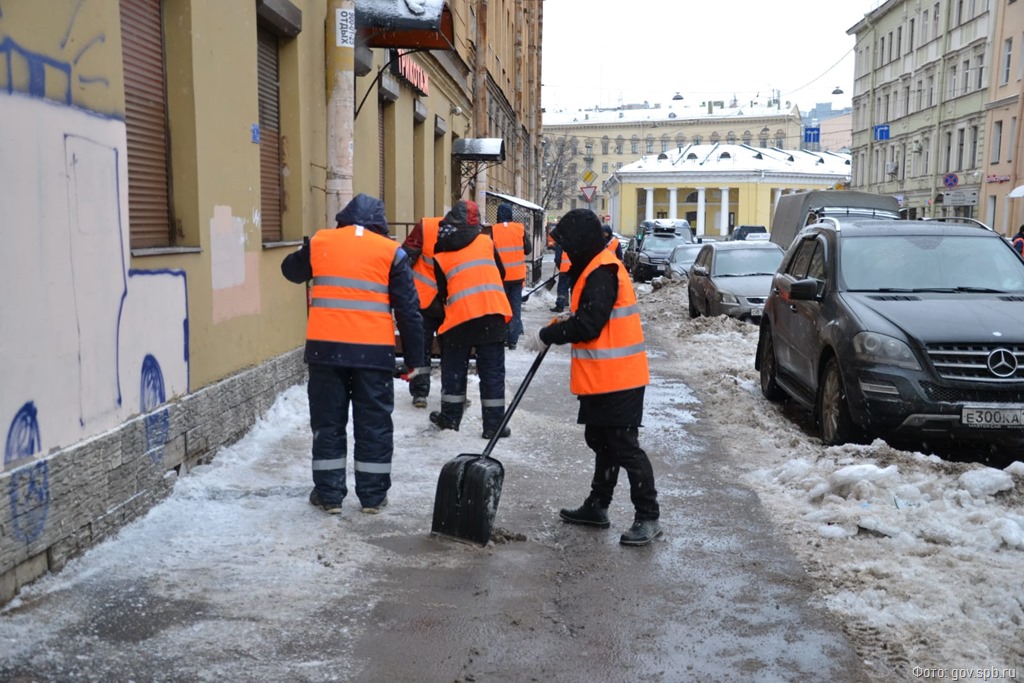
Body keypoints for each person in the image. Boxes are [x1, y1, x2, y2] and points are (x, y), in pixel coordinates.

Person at [523, 208, 661, 546]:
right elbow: (588, 316)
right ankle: (597, 506)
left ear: (583, 241)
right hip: (603, 377)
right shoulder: (594, 267)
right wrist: (560, 325)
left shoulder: (603, 270)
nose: (566, 252)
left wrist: (548, 335)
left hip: (621, 378)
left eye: (569, 245)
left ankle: (648, 517)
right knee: (601, 441)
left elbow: (589, 326)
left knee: (625, 447)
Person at [281, 193, 425, 515]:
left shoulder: (322, 242)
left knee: (328, 422)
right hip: (373, 354)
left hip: (325, 350)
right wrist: (416, 359)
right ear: (380, 224)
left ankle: (330, 496)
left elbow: (290, 271)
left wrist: (307, 250)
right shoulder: (391, 252)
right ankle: (372, 498)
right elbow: (409, 310)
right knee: (373, 424)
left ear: (344, 218)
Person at [428, 200, 513, 439]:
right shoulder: (486, 242)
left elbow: (443, 291)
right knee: (492, 372)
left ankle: (450, 420)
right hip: (491, 313)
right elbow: (502, 272)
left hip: (459, 317)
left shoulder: (440, 252)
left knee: (454, 370)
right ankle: (493, 426)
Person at [401, 215, 445, 408]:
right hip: (446, 302)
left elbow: (406, 257)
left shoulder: (425, 227)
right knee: (452, 351)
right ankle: (452, 393)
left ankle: (420, 393)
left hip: (424, 299)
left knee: (421, 348)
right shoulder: (470, 232)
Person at [491, 202, 533, 350]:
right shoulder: (519, 229)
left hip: (500, 277)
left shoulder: (493, 230)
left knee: (501, 307)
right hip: (517, 276)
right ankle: (512, 339)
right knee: (515, 308)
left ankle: (501, 337)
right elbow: (528, 250)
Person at [550, 240, 572, 313]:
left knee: (562, 288)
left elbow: (557, 259)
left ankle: (560, 305)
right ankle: (573, 305)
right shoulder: (577, 238)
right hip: (575, 269)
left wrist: (560, 267)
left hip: (565, 269)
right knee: (574, 287)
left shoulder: (561, 241)